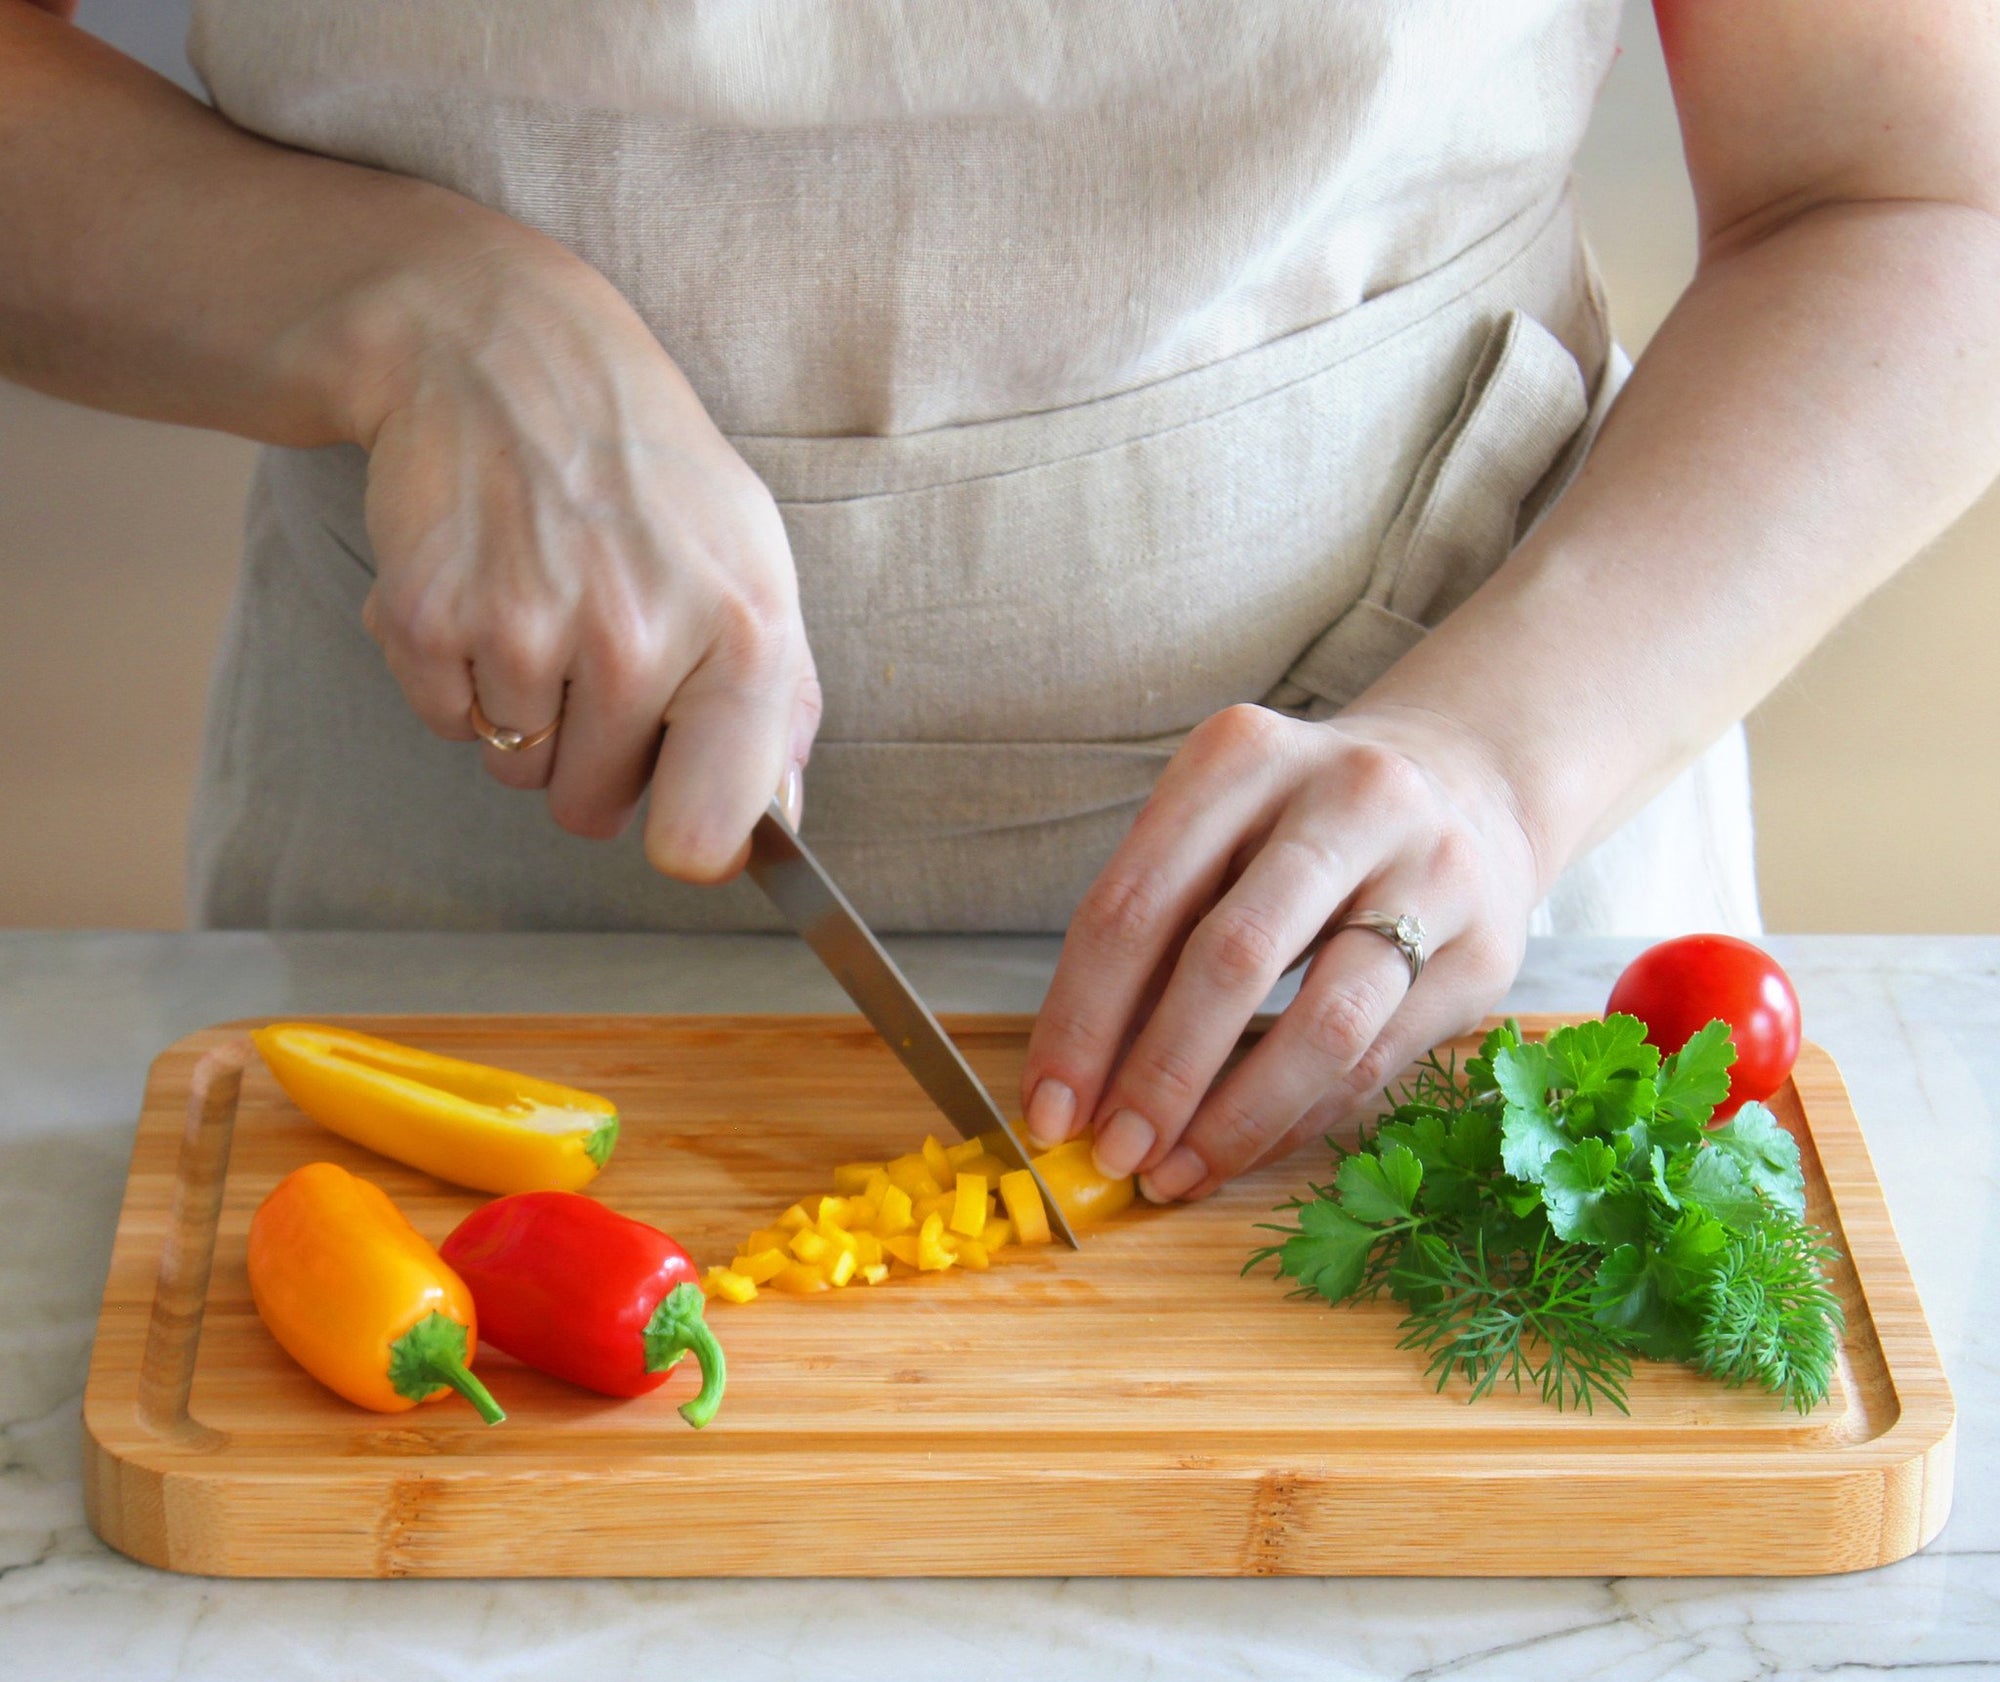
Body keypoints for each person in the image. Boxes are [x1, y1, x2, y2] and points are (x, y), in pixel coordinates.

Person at [4, 1, 1997, 1205]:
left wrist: (1493, 751)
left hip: (1436, 937)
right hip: (458, 892)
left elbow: (1914, 196)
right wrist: (413, 308)